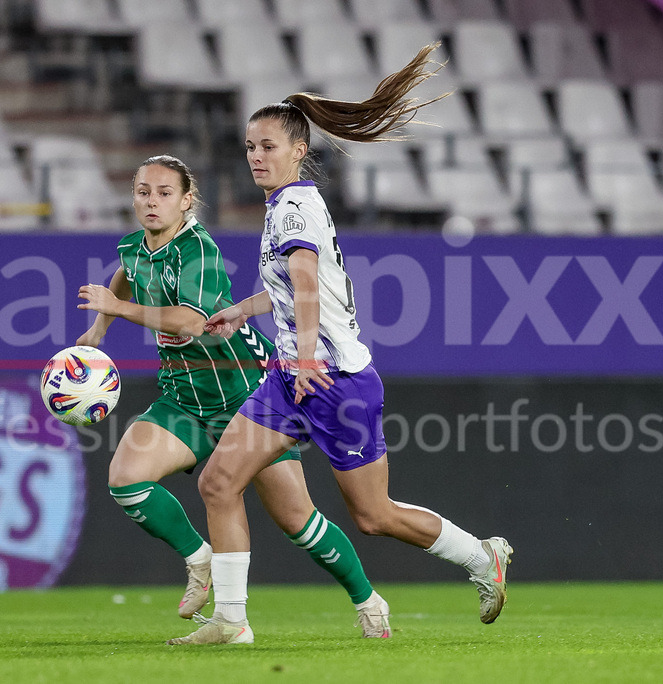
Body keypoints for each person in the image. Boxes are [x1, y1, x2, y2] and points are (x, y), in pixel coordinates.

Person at [168, 44, 512, 646]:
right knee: (218, 481)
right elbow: (294, 286)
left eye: (267, 146)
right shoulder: (283, 207)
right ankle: (230, 620)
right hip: (291, 375)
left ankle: (482, 557)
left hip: (333, 380)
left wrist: (302, 356)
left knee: (374, 516)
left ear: (299, 150)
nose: (255, 156)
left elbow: (304, 282)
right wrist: (240, 310)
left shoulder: (296, 204)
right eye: (250, 146)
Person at [76, 155, 391, 641]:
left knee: (297, 521)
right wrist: (99, 328)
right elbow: (126, 270)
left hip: (244, 395)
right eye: (143, 192)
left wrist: (114, 307)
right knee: (125, 479)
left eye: (164, 193)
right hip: (183, 397)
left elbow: (191, 321)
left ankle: (368, 601)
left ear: (186, 201)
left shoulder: (197, 250)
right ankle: (202, 564)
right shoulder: (136, 246)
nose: (151, 201)